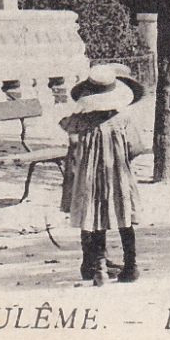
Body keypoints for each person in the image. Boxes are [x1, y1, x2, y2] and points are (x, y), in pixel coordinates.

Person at [61, 65, 146, 285]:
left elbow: (73, 144)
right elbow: (136, 147)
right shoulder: (122, 119)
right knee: (125, 218)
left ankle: (98, 267)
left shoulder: (79, 122)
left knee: (95, 218)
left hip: (90, 179)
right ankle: (130, 266)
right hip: (117, 176)